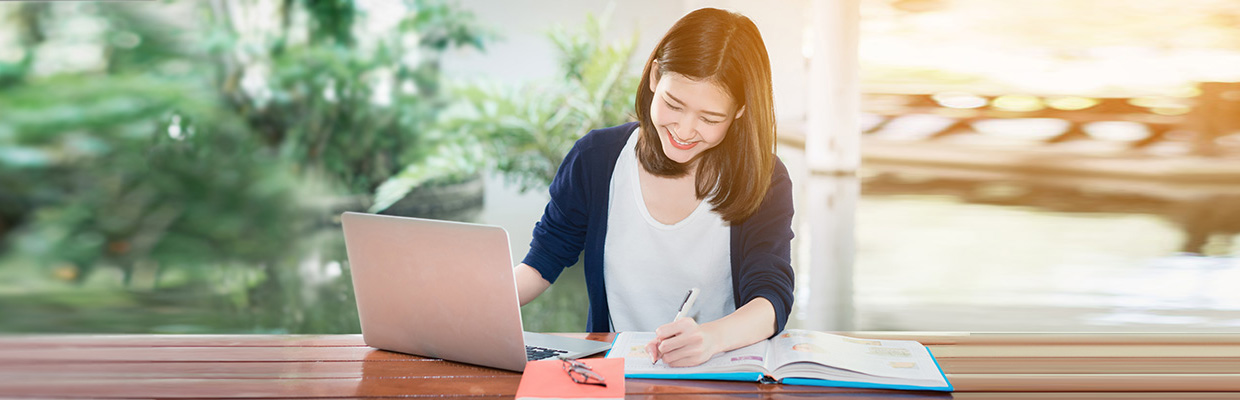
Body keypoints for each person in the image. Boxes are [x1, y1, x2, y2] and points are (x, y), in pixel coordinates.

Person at [514, 7, 794, 368]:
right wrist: (473, 303)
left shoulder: (764, 177)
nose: (684, 130)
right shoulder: (597, 159)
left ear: (740, 111)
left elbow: (771, 298)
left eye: (710, 118)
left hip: (718, 376)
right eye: (673, 104)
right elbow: (542, 262)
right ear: (655, 76)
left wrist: (712, 337)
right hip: (611, 376)